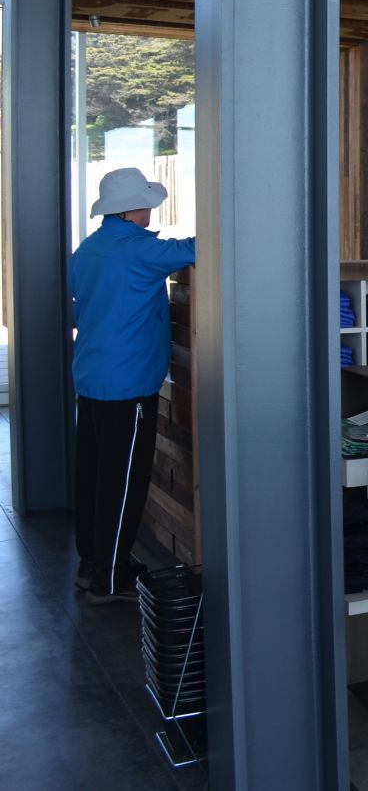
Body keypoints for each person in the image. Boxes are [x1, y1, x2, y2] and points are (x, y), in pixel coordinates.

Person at [69, 169, 197, 603]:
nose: (150, 209)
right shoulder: (140, 250)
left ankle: (91, 565)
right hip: (127, 385)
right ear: (132, 208)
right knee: (123, 482)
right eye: (146, 202)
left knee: (92, 474)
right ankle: (110, 580)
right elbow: (200, 248)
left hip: (90, 378)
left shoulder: (87, 251)